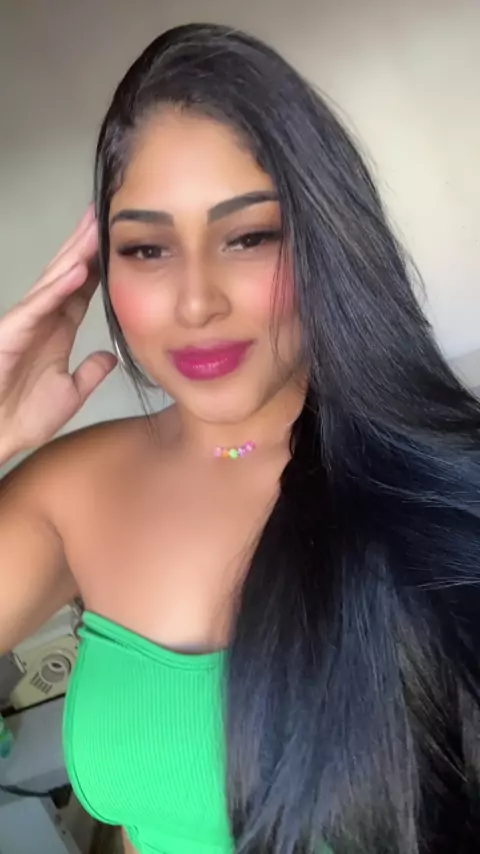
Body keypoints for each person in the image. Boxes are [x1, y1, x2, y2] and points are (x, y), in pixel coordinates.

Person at [1, 21, 480, 854]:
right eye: (147, 248)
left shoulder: (446, 482)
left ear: (328, 238)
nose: (196, 301)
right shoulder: (70, 491)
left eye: (249, 236)